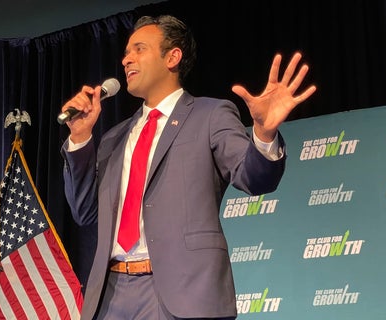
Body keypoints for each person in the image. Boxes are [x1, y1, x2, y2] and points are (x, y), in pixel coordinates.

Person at [60, 14, 316, 320]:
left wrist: (263, 134)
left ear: (173, 57)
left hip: (183, 293)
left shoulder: (211, 115)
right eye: (127, 52)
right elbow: (84, 210)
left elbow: (254, 178)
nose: (126, 59)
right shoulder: (113, 138)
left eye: (139, 49)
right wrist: (80, 137)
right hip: (112, 296)